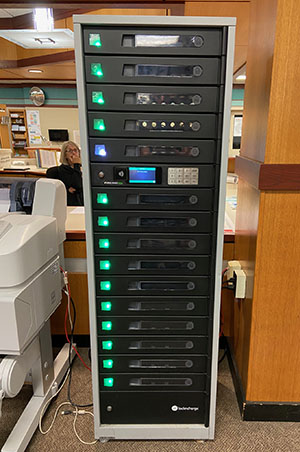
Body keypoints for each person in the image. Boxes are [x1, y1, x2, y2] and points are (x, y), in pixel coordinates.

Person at [46, 141, 83, 206]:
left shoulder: (84, 169)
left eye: (75, 150)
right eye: (70, 151)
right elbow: (77, 185)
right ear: (65, 154)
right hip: (72, 204)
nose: (74, 153)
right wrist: (76, 164)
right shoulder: (62, 170)